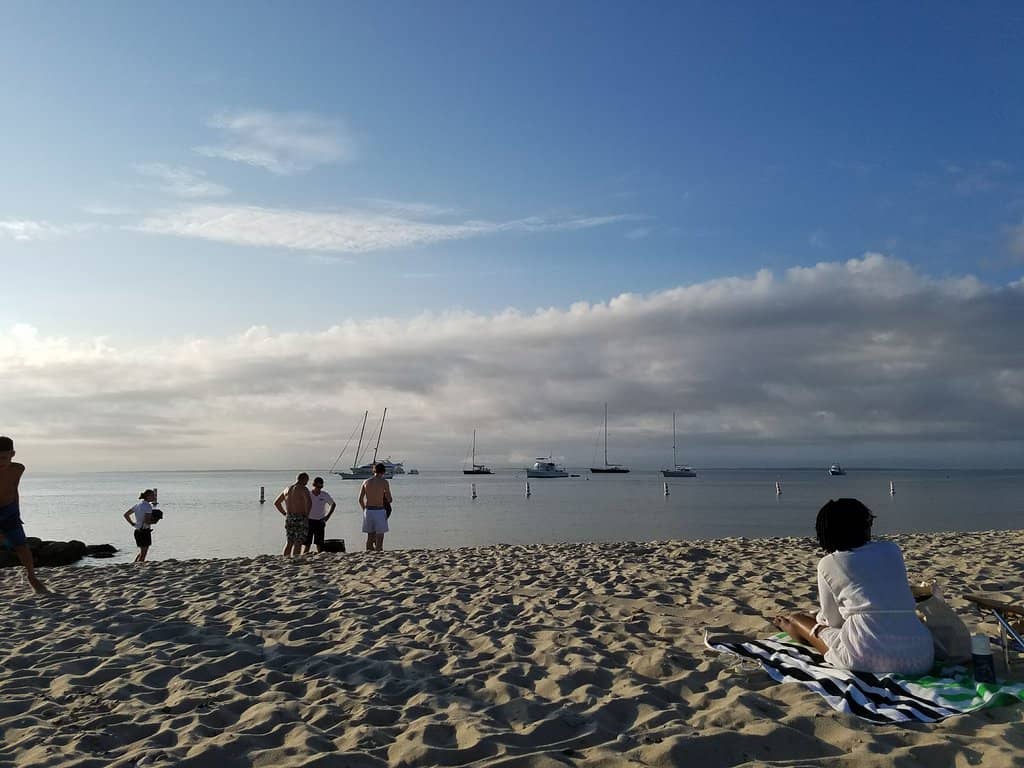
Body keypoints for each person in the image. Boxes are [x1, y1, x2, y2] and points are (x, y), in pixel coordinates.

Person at [774, 498, 934, 675]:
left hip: (864, 657)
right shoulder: (891, 549)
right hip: (921, 657)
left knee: (799, 619)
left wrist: (816, 619)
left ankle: (792, 627)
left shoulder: (829, 563)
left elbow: (833, 621)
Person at [0, 436, 48, 593]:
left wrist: (17, 511)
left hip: (10, 510)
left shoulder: (18, 469)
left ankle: (32, 578)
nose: (0, 462)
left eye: (3, 457)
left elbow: (14, 489)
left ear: (12, 454)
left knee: (22, 547)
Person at [274, 473, 311, 557]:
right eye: (307, 480)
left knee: (289, 541)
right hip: (300, 517)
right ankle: (296, 560)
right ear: (304, 479)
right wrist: (307, 515)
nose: (307, 482)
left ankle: (286, 559)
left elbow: (277, 503)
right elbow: (309, 502)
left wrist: (284, 513)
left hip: (289, 517)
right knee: (298, 541)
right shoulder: (303, 489)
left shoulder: (287, 489)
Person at [358, 462, 392, 552]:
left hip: (368, 511)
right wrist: (384, 495)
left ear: (374, 471)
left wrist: (364, 509)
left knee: (370, 536)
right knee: (379, 537)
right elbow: (389, 499)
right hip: (379, 511)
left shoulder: (366, 482)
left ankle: (369, 554)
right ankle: (378, 552)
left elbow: (360, 499)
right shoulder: (384, 482)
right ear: (383, 472)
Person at [301, 476, 336, 555]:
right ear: (314, 485)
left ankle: (320, 557)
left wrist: (327, 516)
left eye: (320, 486)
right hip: (309, 520)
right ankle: (304, 556)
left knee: (319, 543)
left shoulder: (324, 494)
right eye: (317, 486)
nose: (318, 488)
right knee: (307, 543)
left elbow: (333, 504)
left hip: (320, 520)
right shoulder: (308, 494)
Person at [123, 489, 160, 562]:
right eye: (153, 495)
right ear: (148, 496)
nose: (154, 497)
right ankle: (139, 567)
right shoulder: (148, 506)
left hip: (137, 530)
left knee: (142, 551)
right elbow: (146, 521)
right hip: (144, 531)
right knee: (144, 553)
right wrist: (154, 522)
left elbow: (126, 515)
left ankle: (135, 565)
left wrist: (132, 523)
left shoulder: (138, 505)